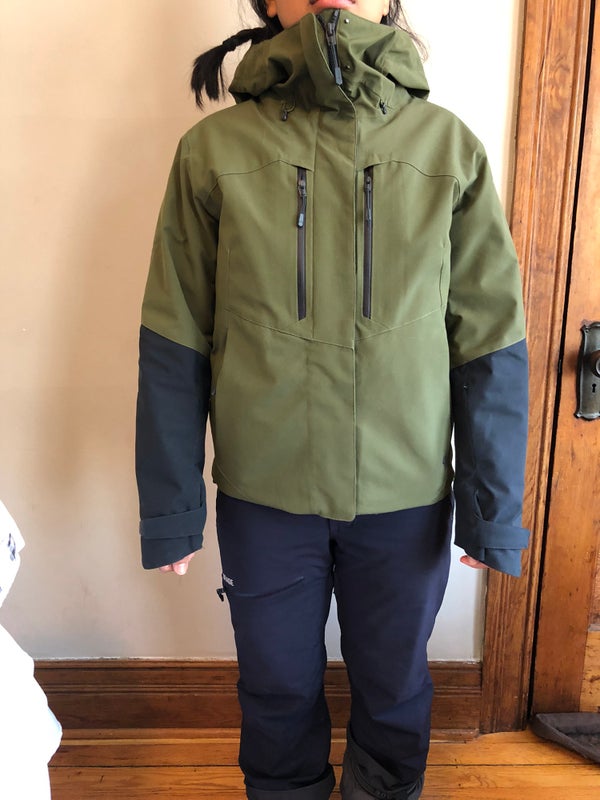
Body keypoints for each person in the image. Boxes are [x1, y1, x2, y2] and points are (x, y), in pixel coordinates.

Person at [135, 2, 529, 798]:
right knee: (275, 686)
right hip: (265, 494)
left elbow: (489, 343)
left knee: (395, 685)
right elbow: (175, 340)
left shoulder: (446, 148)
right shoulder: (215, 152)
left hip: (406, 494)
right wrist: (172, 508)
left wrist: (492, 508)